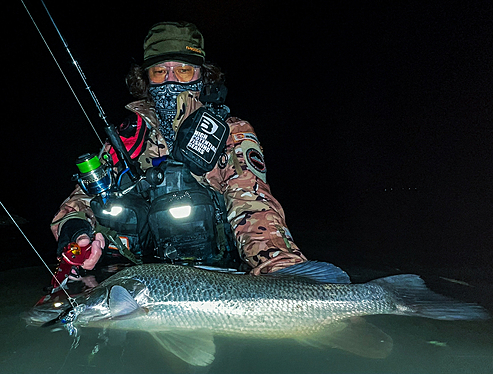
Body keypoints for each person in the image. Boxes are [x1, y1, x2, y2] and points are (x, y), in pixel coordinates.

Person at [50, 21, 308, 279]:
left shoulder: (231, 132)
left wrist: (283, 269)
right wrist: (76, 231)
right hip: (136, 278)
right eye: (159, 72)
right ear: (145, 79)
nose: (171, 80)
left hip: (215, 275)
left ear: (202, 75)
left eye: (184, 70)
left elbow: (253, 206)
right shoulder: (126, 137)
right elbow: (83, 198)